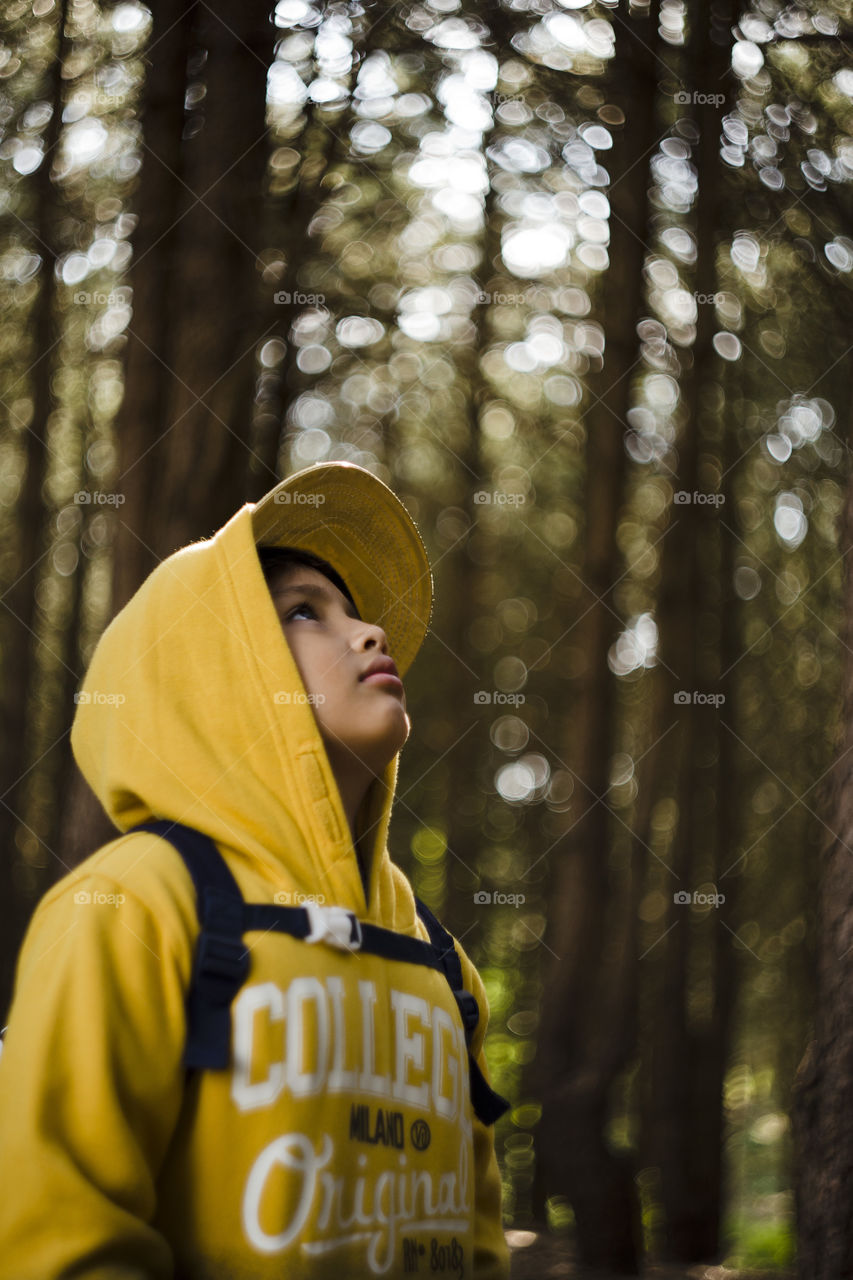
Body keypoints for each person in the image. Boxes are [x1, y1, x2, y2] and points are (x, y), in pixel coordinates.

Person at [0, 461, 510, 1279]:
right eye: (304, 613)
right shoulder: (131, 906)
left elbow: (479, 1242)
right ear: (212, 680)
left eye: (356, 611)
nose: (368, 633)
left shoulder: (440, 961)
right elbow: (59, 1241)